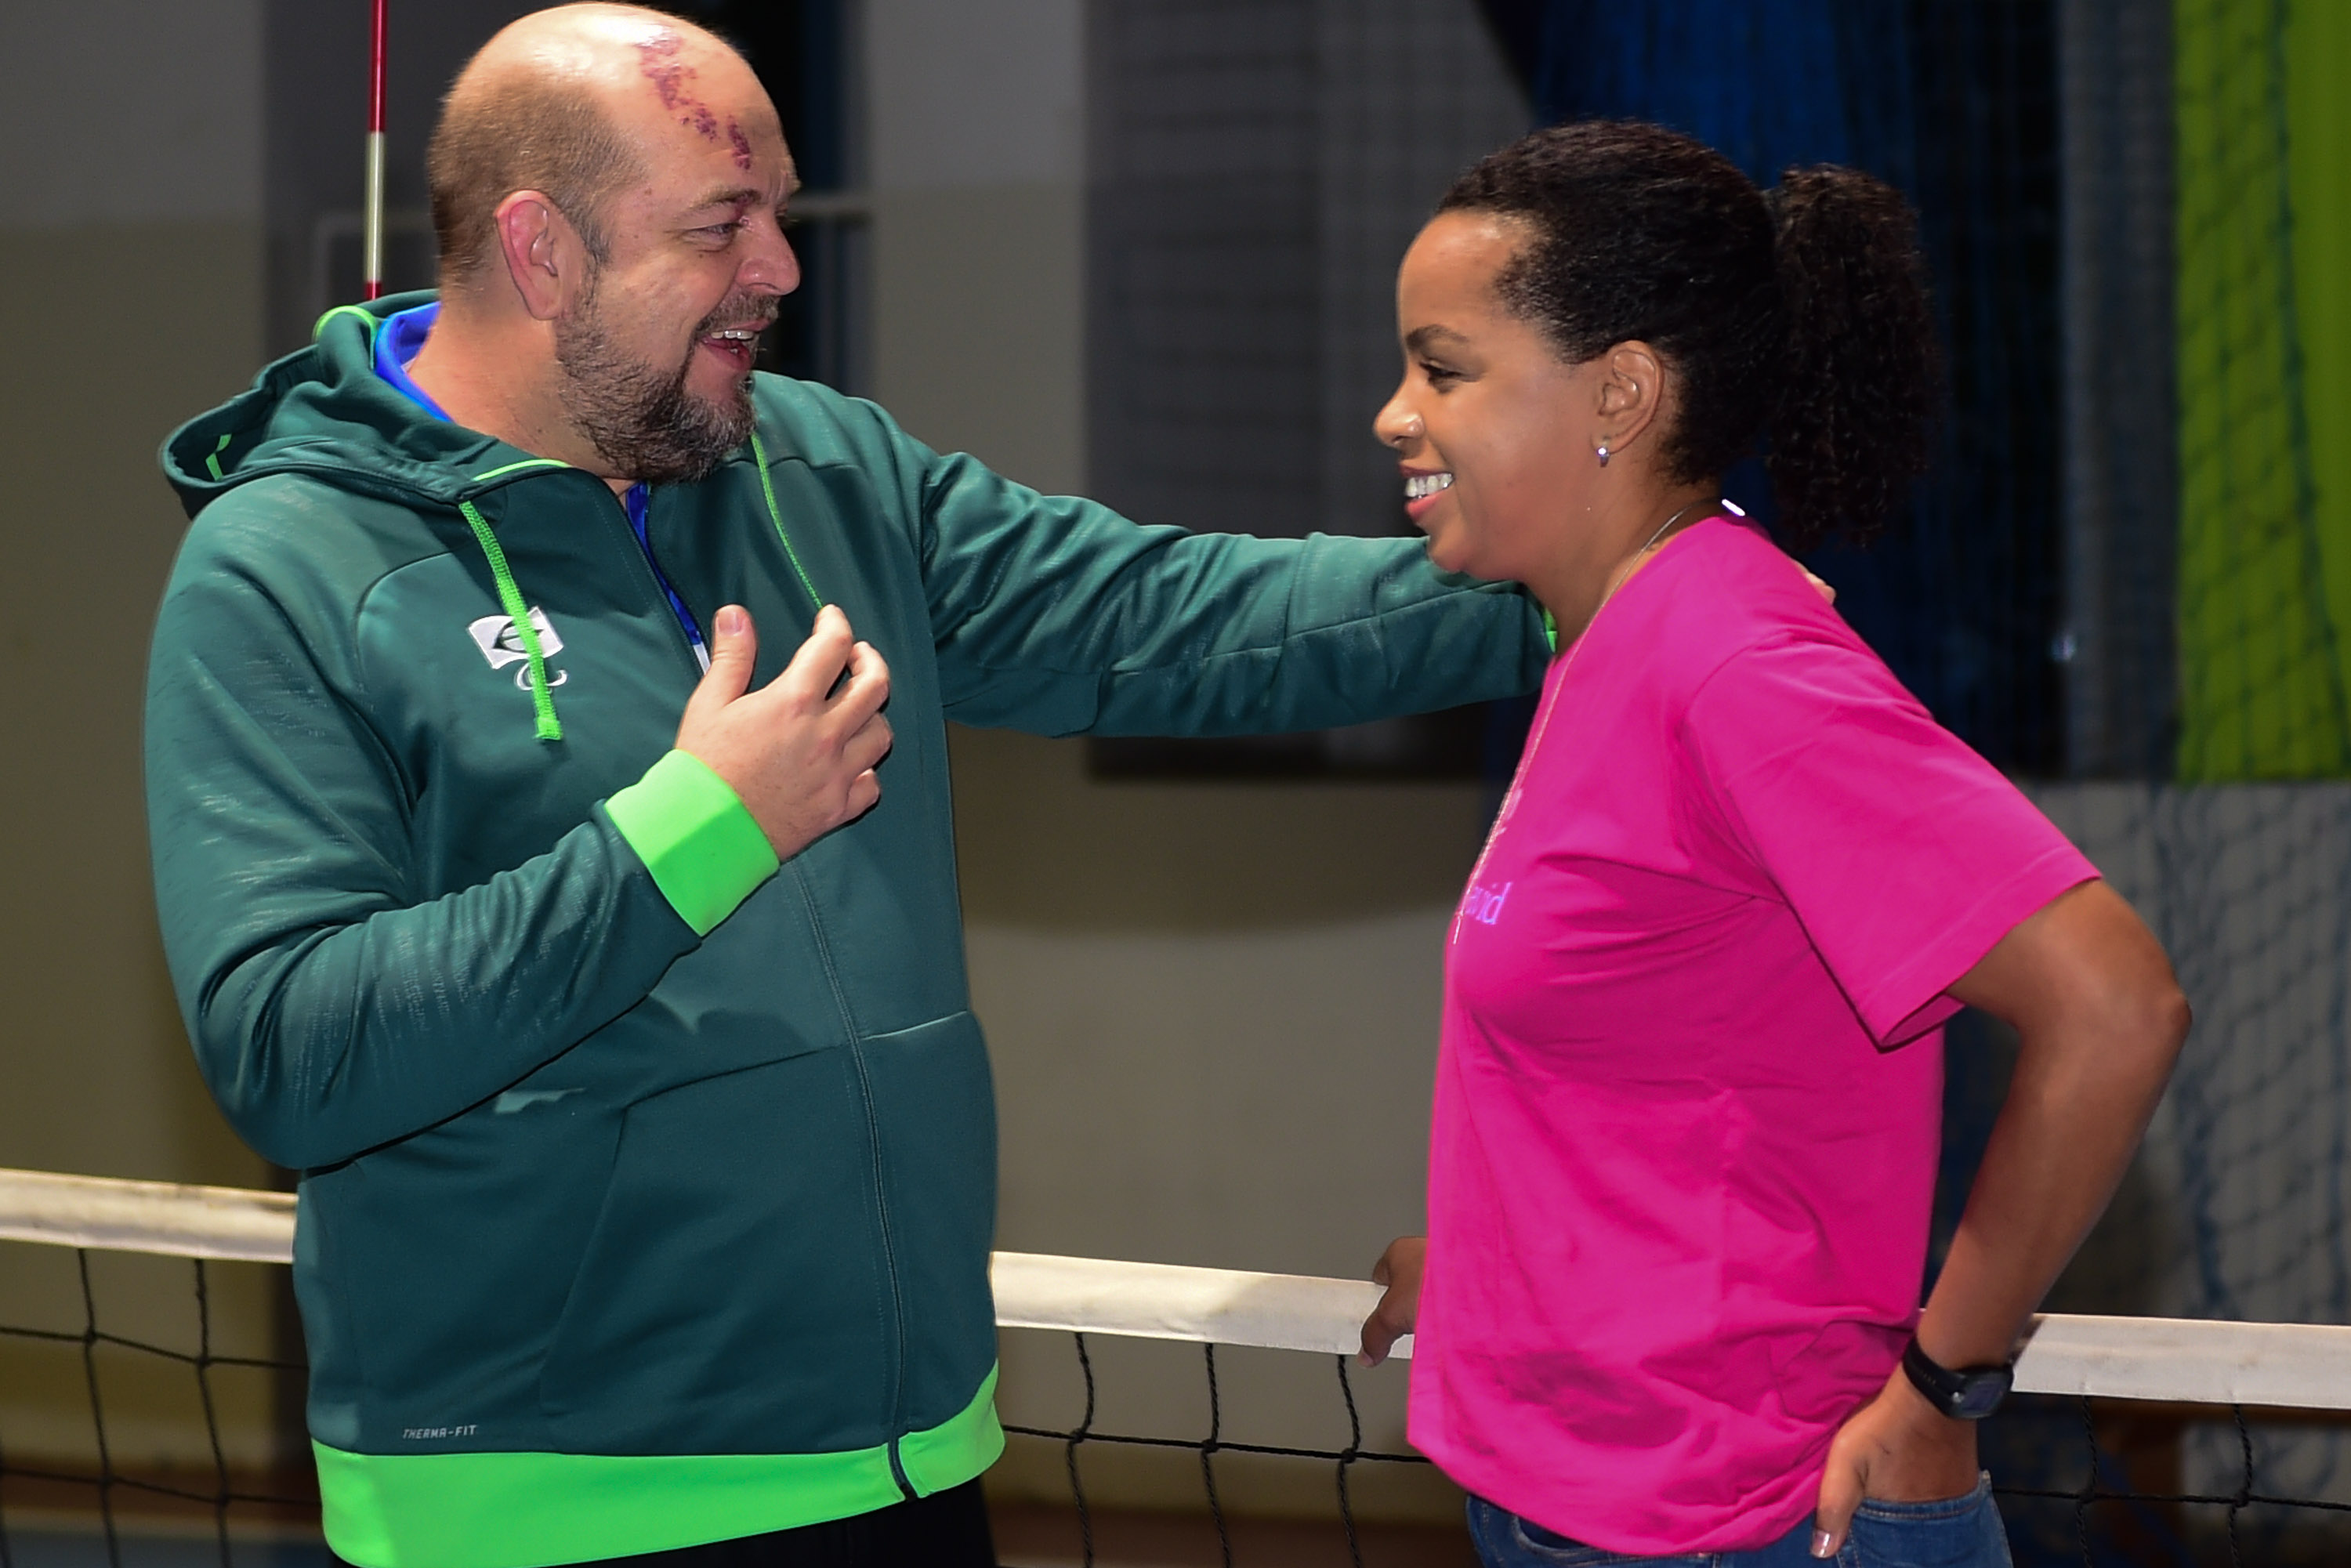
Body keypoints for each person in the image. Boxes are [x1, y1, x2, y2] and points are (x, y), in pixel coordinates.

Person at [141, 7, 1550, 1566]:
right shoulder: (284, 568)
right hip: (550, 1507)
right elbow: (293, 1045)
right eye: (718, 225)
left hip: (904, 1465)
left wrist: (1579, 573)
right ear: (541, 252)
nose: (781, 269)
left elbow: (1173, 613)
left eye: (782, 212)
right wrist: (702, 825)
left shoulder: (818, 468)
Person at [1350, 121, 2190, 1567]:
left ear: (1619, 388)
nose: (1394, 414)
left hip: (1759, 1518)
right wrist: (1518, 1275)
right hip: (1578, 1491)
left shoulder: (1736, 659)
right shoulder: (1606, 638)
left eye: (1445, 368)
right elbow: (1681, 1058)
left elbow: (2114, 1007)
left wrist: (1945, 1386)